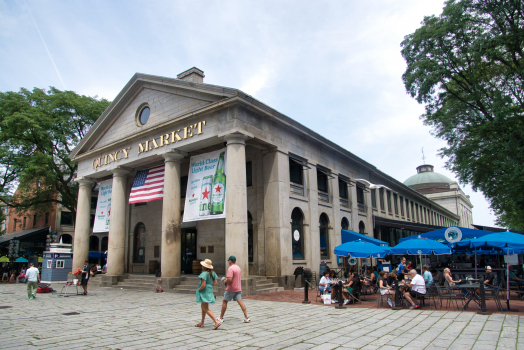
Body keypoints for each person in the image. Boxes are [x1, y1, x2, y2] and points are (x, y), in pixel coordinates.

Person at [218, 256, 249, 323]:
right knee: (240, 301)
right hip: (238, 287)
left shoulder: (230, 268)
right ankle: (246, 317)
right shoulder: (238, 267)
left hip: (231, 288)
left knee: (225, 301)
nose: (228, 261)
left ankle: (220, 317)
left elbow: (230, 279)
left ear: (230, 261)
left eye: (228, 260)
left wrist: (224, 281)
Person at [194, 259, 221, 330]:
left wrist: (199, 289)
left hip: (204, 291)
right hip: (209, 290)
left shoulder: (203, 274)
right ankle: (202, 323)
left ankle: (216, 321)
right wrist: (210, 285)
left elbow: (203, 284)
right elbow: (215, 282)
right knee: (204, 307)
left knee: (205, 308)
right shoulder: (213, 273)